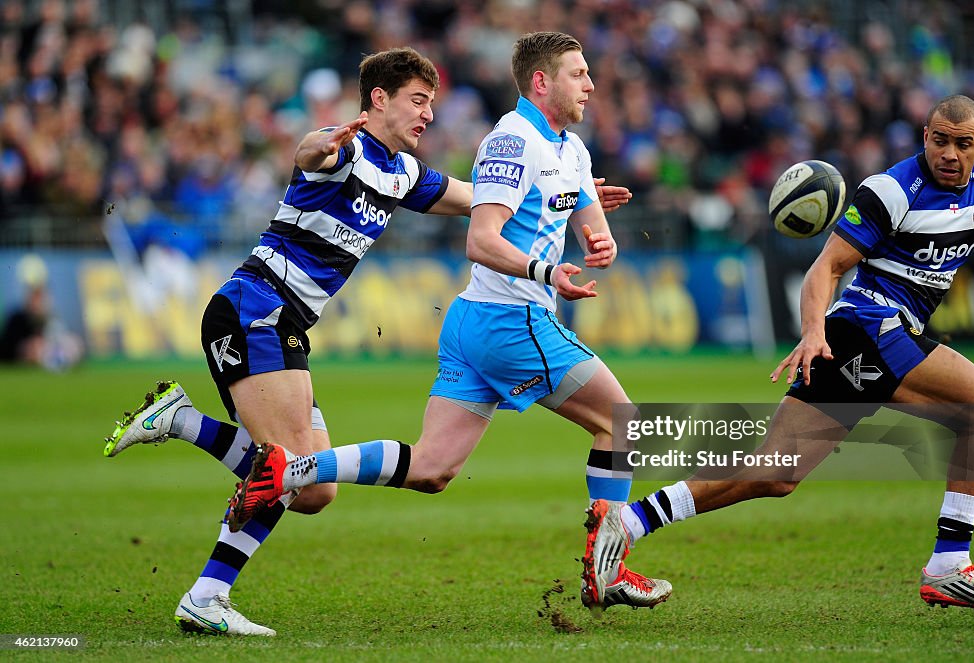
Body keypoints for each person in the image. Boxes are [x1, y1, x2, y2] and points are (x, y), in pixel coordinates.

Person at [103, 45, 633, 636]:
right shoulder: (345, 149)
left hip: (284, 322)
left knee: (314, 487)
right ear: (378, 100)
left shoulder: (403, 172)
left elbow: (475, 200)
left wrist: (559, 199)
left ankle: (183, 430)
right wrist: (322, 142)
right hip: (255, 309)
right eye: (417, 101)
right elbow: (308, 152)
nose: (428, 115)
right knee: (284, 469)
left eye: (431, 103)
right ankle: (206, 592)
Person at [225, 31, 671, 613]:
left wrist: (587, 215)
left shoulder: (568, 151)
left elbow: (573, 215)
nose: (590, 84)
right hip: (510, 318)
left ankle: (290, 468)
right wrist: (547, 271)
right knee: (622, 422)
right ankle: (607, 570)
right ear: (542, 82)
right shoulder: (512, 140)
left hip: (471, 324)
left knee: (432, 469)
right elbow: (480, 239)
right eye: (578, 73)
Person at [583, 94, 974, 613]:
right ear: (924, 137)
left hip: (867, 337)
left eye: (962, 144)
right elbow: (825, 268)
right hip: (868, 327)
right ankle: (950, 564)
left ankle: (627, 523)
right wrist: (814, 332)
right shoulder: (891, 191)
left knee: (776, 473)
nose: (949, 153)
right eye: (939, 140)